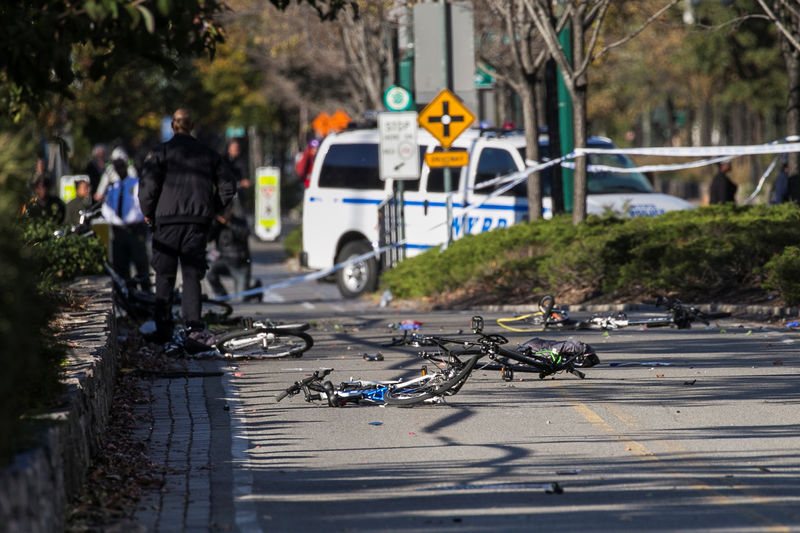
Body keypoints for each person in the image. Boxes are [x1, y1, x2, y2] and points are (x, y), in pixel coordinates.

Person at [139, 108, 236, 342]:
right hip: (197, 223)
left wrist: (149, 214)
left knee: (164, 276)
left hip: (166, 223)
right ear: (192, 126)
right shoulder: (209, 154)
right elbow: (228, 186)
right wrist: (212, 208)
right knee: (192, 276)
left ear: (173, 126)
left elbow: (148, 188)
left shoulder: (161, 153)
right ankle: (193, 328)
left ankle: (163, 330)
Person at [101, 149, 151, 292]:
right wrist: (115, 220)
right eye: (116, 166)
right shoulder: (113, 187)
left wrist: (130, 219)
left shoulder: (136, 184)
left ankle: (147, 294)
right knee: (121, 268)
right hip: (118, 232)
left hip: (135, 230)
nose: (119, 169)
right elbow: (106, 207)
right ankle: (130, 297)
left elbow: (140, 205)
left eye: (121, 165)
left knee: (141, 265)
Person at [207, 204, 258, 302]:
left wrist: (229, 223)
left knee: (242, 299)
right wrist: (215, 223)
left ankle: (256, 290)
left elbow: (244, 234)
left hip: (240, 264)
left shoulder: (239, 221)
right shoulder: (217, 225)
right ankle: (222, 296)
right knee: (208, 271)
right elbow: (208, 238)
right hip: (224, 261)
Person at [223, 139, 252, 216]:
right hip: (225, 191)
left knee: (239, 211)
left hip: (238, 191)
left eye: (238, 148)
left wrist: (243, 182)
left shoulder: (242, 161)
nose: (237, 150)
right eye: (235, 148)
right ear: (229, 149)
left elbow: (246, 179)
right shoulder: (223, 160)